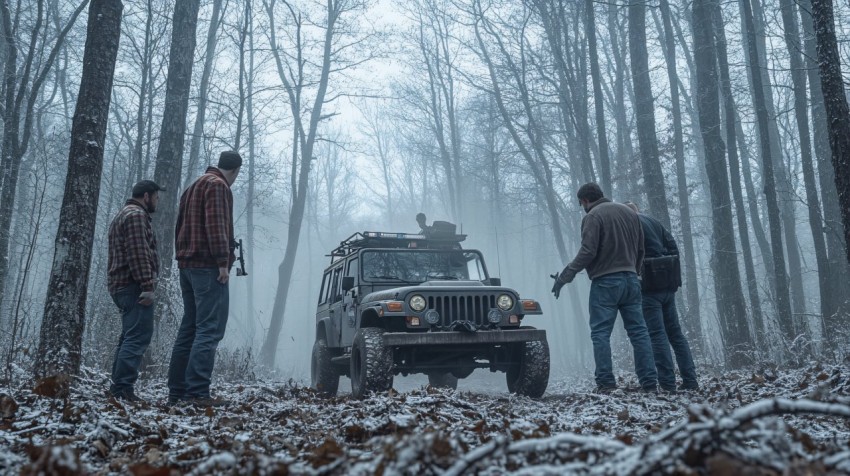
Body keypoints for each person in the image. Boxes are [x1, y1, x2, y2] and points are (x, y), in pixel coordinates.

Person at [551, 183, 658, 393]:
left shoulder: (593, 216)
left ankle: (606, 383)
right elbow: (641, 248)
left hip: (606, 282)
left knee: (600, 333)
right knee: (639, 332)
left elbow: (588, 251)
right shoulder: (629, 213)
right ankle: (649, 382)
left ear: (584, 201)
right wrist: (633, 272)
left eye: (581, 203)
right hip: (631, 279)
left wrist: (565, 276)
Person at [167, 151, 241, 406]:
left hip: (186, 266)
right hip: (208, 268)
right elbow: (217, 225)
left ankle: (176, 392)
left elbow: (179, 226)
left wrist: (181, 258)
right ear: (236, 171)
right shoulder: (219, 186)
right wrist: (223, 263)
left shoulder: (192, 186)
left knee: (189, 328)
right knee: (209, 329)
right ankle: (197, 393)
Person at [625, 202, 699, 392]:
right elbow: (673, 247)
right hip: (667, 285)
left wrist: (640, 272)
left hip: (648, 287)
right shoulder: (654, 222)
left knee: (657, 335)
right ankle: (690, 381)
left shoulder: (631, 225)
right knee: (676, 334)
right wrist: (666, 267)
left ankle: (667, 384)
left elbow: (630, 255)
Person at [107, 179, 165, 402]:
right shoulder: (136, 216)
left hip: (123, 286)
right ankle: (122, 389)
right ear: (147, 196)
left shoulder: (124, 214)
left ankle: (118, 388)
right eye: (156, 197)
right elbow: (138, 253)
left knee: (129, 337)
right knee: (138, 337)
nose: (157, 202)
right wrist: (147, 286)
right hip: (132, 286)